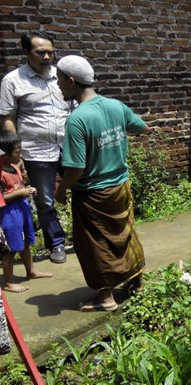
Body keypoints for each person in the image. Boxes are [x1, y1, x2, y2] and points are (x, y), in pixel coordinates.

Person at [54, 55, 148, 312]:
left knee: (95, 245)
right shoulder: (116, 106)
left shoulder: (78, 119)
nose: (58, 85)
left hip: (93, 193)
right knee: (126, 233)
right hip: (120, 185)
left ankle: (106, 298)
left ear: (71, 81)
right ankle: (136, 284)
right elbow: (140, 126)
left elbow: (76, 167)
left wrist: (61, 190)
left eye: (59, 80)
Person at [0, 31, 71, 264]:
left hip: (69, 146)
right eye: (41, 53)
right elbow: (8, 118)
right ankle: (57, 243)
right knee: (46, 200)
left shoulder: (62, 76)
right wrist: (12, 154)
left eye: (50, 52)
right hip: (36, 151)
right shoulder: (13, 80)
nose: (48, 57)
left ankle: (85, 237)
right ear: (26, 52)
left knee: (82, 190)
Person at [0, 131, 52, 293]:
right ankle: (9, 281)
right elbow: (2, 198)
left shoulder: (15, 167)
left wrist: (27, 189)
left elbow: (19, 186)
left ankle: (31, 271)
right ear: (5, 154)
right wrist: (19, 193)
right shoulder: (1, 173)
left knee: (26, 242)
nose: (20, 155)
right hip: (9, 214)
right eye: (17, 152)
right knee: (11, 247)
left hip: (22, 209)